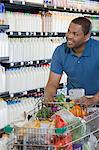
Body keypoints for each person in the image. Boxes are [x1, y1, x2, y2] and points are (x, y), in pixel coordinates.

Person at [44, 17, 99, 106]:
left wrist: (93, 99)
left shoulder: (97, 50)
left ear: (87, 36)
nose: (69, 36)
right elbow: (52, 83)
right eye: (69, 31)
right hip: (75, 103)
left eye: (75, 34)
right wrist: (49, 97)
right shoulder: (60, 51)